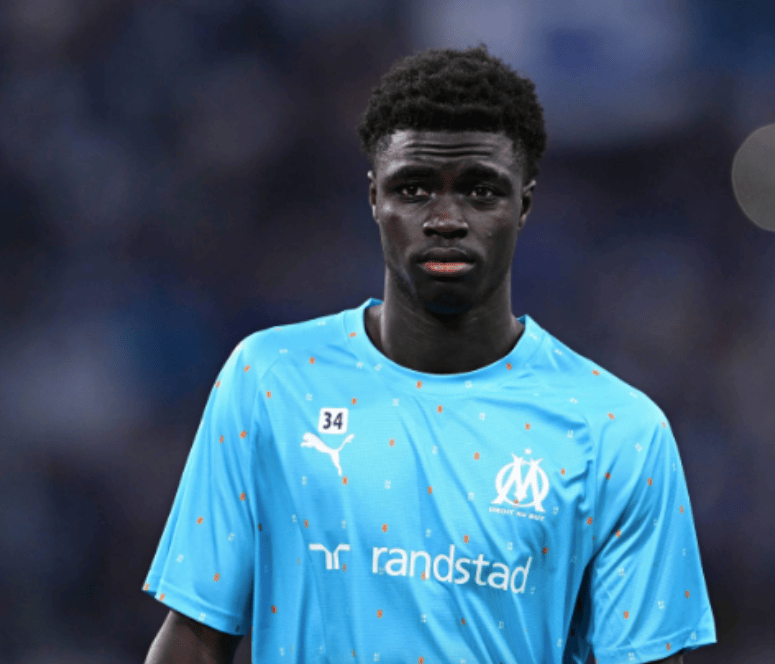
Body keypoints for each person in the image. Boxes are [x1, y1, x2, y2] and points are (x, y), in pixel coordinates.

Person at [142, 43, 716, 664]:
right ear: (374, 198)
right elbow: (195, 637)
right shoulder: (270, 380)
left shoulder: (619, 432)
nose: (445, 219)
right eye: (414, 189)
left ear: (523, 204)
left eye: (480, 191)